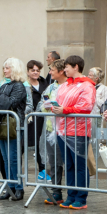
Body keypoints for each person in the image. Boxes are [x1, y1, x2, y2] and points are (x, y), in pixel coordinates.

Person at [49, 55, 96, 210]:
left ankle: (81, 198)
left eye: (67, 67)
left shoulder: (87, 86)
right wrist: (55, 107)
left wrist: (64, 110)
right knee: (69, 165)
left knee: (79, 165)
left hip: (78, 131)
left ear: (76, 67)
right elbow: (59, 102)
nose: (65, 70)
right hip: (63, 130)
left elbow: (86, 106)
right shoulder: (65, 85)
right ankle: (71, 195)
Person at [0, 57, 28, 201]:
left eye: (7, 68)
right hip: (3, 125)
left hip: (13, 126)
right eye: (4, 68)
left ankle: (18, 188)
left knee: (13, 158)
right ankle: (10, 187)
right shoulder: (5, 85)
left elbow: (10, 103)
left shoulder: (19, 86)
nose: (5, 70)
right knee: (5, 158)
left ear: (14, 69)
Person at [40, 59, 66, 205]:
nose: (49, 72)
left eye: (52, 70)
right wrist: (46, 106)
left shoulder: (70, 86)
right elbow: (42, 105)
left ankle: (74, 193)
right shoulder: (50, 87)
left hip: (67, 130)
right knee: (54, 162)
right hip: (51, 129)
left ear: (61, 71)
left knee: (70, 164)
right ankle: (56, 192)